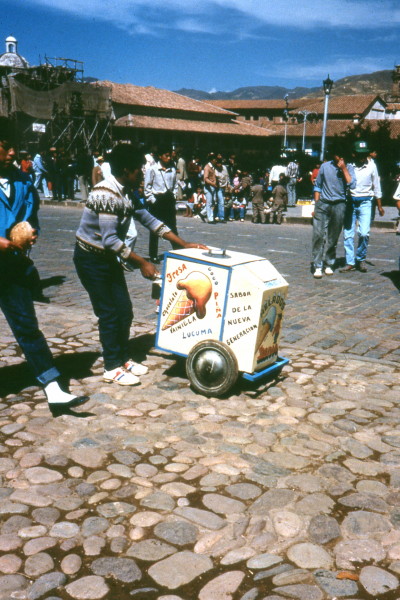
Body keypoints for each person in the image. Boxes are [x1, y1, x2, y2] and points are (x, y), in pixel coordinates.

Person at [74, 143, 207, 386]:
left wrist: (182, 243)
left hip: (107, 259)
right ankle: (111, 366)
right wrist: (143, 263)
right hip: (91, 260)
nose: (142, 174)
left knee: (124, 310)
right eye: (139, 170)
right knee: (109, 313)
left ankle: (123, 357)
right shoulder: (106, 193)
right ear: (127, 170)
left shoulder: (127, 192)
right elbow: (110, 240)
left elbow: (149, 220)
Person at [0, 137, 88, 413]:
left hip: (12, 267)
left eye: (12, 146)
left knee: (27, 327)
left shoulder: (23, 181)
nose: (12, 151)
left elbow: (31, 216)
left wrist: (30, 233)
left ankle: (53, 388)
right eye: (5, 146)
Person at [312, 146, 356, 278]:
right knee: (318, 235)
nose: (340, 158)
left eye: (342, 155)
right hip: (323, 203)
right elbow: (318, 186)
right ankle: (317, 265)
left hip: (339, 204)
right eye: (338, 155)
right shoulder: (325, 166)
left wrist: (344, 169)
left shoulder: (349, 168)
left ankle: (329, 263)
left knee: (333, 237)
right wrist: (316, 204)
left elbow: (352, 184)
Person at [340, 141, 383, 273]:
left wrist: (379, 206)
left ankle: (360, 258)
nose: (362, 157)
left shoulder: (372, 166)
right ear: (354, 154)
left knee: (364, 233)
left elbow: (376, 186)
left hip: (366, 202)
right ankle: (350, 262)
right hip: (350, 202)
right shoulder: (349, 166)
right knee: (348, 234)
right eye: (359, 154)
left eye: (364, 154)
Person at [145, 146, 179, 263]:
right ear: (160, 156)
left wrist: (174, 196)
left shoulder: (172, 170)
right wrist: (153, 201)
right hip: (157, 200)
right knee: (155, 229)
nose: (169, 158)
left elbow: (175, 185)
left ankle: (177, 251)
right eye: (166, 155)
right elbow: (147, 187)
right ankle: (153, 255)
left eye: (170, 156)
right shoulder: (152, 169)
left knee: (172, 227)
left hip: (169, 200)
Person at [203, 153, 219, 224]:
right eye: (215, 159)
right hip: (208, 187)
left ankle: (202, 213)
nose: (216, 161)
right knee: (209, 203)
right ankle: (210, 219)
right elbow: (205, 178)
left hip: (213, 187)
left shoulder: (213, 167)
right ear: (212, 160)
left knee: (213, 202)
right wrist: (213, 184)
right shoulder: (207, 167)